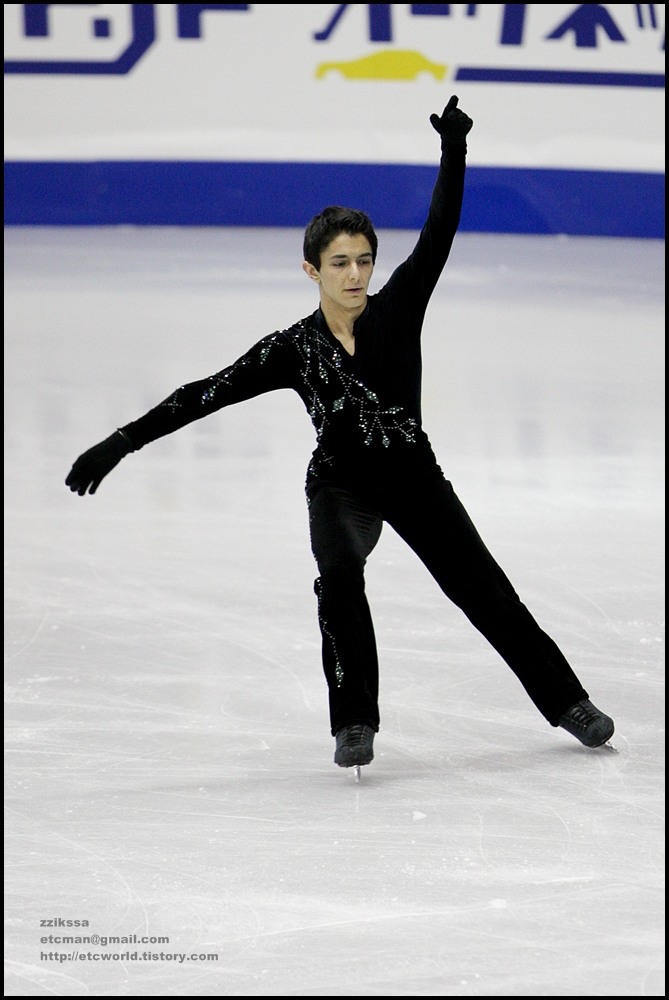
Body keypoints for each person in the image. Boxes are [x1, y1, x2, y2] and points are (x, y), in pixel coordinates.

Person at [65, 96, 615, 771]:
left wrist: (453, 151)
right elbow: (203, 395)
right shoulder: (291, 349)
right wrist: (124, 439)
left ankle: (569, 704)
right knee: (339, 577)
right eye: (339, 264)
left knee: (486, 592)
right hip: (341, 486)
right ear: (311, 271)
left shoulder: (398, 309)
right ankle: (353, 721)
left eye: (363, 260)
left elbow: (438, 231)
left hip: (413, 478)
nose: (355, 275)